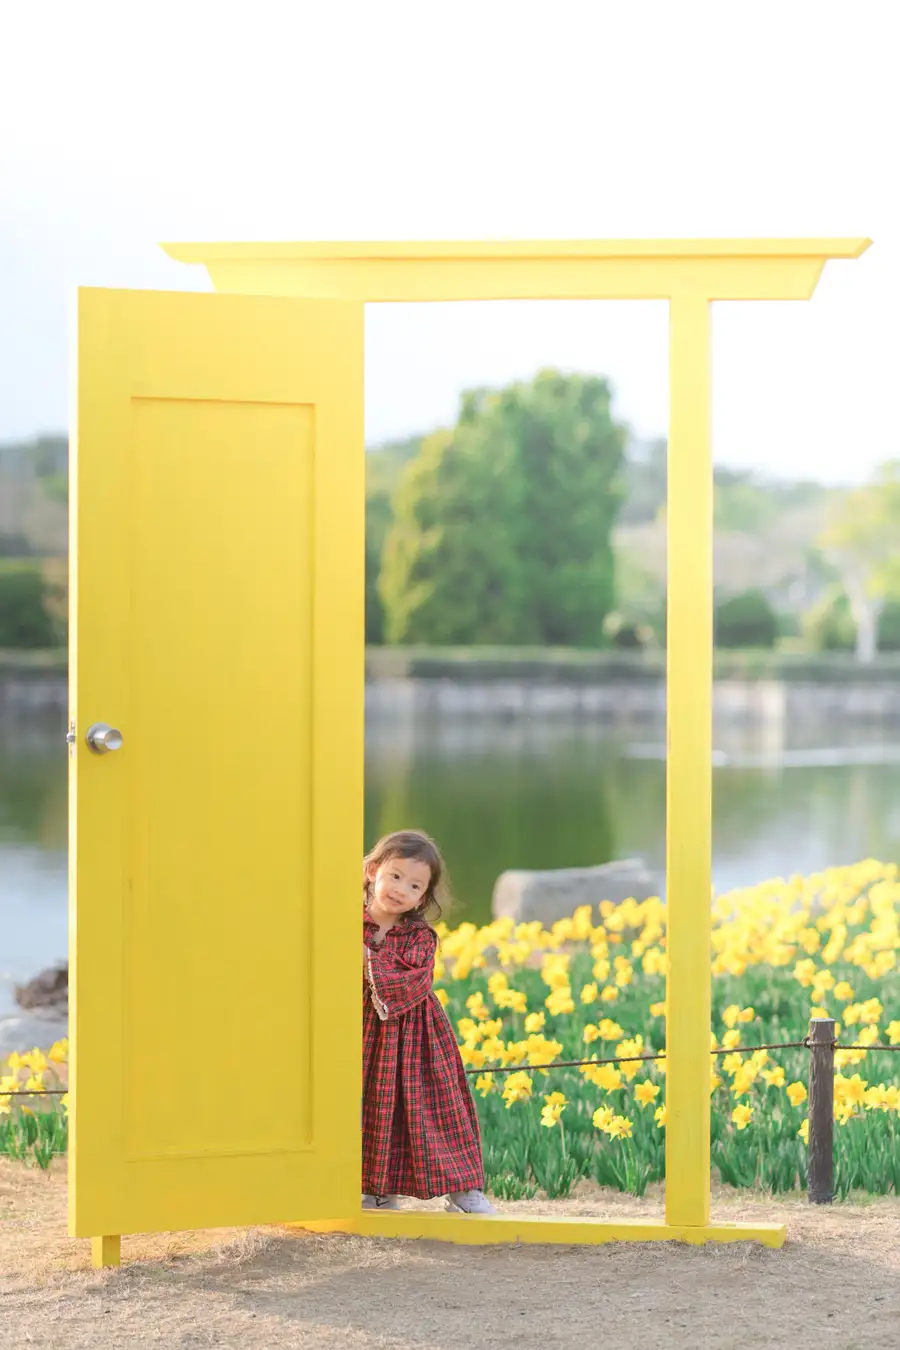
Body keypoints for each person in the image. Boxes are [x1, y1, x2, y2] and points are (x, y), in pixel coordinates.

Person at [362, 828, 496, 1214]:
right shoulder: (346, 921)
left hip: (414, 1038)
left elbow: (407, 981)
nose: (401, 890)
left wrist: (363, 956)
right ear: (373, 870)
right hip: (360, 1034)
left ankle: (463, 1189)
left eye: (415, 886)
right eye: (395, 876)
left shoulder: (419, 937)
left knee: (436, 1108)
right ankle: (376, 1189)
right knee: (369, 1108)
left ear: (423, 897)